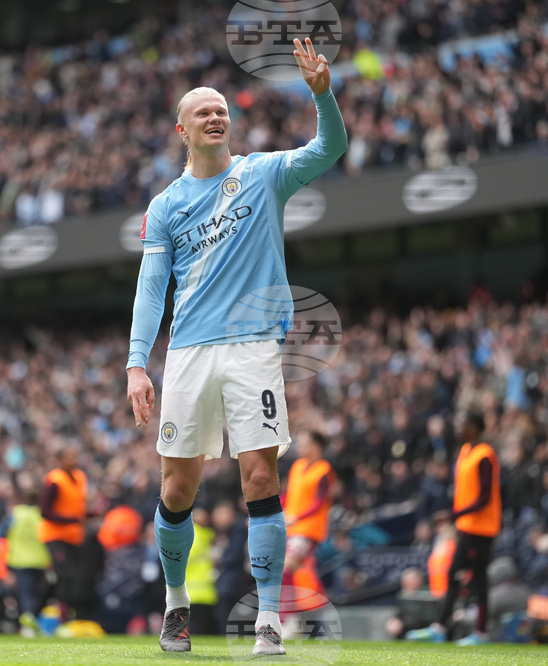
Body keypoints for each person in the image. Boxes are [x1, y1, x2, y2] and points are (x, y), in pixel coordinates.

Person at [125, 37, 346, 655]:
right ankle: (176, 604)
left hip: (253, 349)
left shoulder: (263, 173)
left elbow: (330, 148)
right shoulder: (166, 206)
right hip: (190, 354)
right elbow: (151, 289)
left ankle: (267, 618)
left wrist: (322, 96)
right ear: (183, 130)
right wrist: (137, 364)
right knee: (177, 489)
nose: (216, 116)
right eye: (203, 112)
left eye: (222, 109)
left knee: (260, 476)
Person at [407, 413, 502, 645]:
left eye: (463, 423)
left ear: (475, 427)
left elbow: (485, 497)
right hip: (467, 525)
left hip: (482, 527)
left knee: (471, 577)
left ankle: (464, 630)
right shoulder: (465, 452)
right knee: (465, 576)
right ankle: (448, 628)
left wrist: (452, 515)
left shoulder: (484, 455)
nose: (458, 427)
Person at [282, 431, 336, 619]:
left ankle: (288, 618)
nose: (299, 446)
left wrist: (297, 517)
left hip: (308, 530)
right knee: (300, 573)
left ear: (316, 446)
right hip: (292, 529)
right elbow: (289, 496)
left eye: (303, 442)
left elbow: (319, 502)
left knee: (284, 570)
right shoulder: (297, 466)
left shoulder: (324, 470)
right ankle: (317, 611)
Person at [38, 446, 89, 621]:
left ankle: (59, 611)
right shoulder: (55, 480)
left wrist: (90, 515)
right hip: (55, 535)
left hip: (74, 537)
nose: (74, 459)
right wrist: (71, 520)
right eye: (70, 456)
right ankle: (61, 614)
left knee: (72, 577)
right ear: (60, 460)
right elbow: (45, 511)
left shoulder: (80, 477)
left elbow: (77, 509)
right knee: (66, 575)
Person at [7, 490, 52, 635]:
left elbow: (4, 533)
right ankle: (34, 623)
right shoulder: (42, 515)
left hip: (20, 560)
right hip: (40, 560)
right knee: (38, 594)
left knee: (26, 594)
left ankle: (28, 626)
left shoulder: (16, 514)